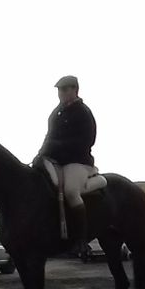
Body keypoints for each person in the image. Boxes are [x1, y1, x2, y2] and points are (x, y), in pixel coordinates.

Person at [36, 75, 98, 250]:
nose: (60, 94)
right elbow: (49, 137)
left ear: (74, 90)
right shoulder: (55, 113)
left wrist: (59, 147)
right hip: (55, 160)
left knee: (70, 191)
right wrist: (41, 154)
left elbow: (87, 140)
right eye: (59, 91)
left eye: (64, 90)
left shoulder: (84, 112)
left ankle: (81, 239)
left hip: (77, 162)